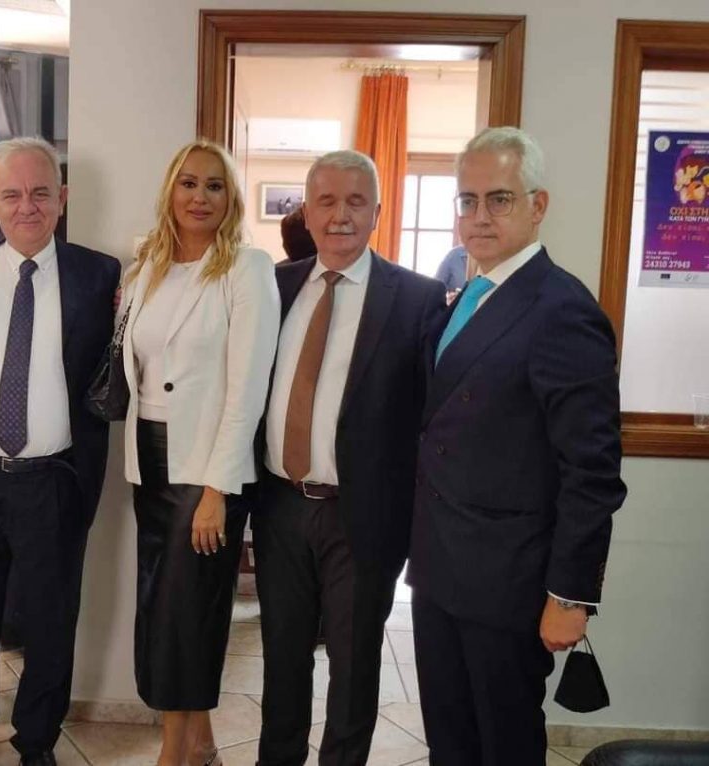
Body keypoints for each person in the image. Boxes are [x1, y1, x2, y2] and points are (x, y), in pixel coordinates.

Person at [408, 126, 627, 766]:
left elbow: (592, 471)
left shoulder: (561, 309)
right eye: (467, 200)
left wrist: (570, 595)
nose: (479, 216)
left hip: (508, 582)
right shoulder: (465, 298)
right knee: (450, 741)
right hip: (440, 568)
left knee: (503, 746)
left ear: (538, 205)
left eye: (499, 199)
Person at [0, 137, 120, 766]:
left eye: (40, 193)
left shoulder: (101, 274)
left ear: (62, 198)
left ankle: (36, 743)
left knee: (50, 625)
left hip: (54, 482)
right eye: (11, 195)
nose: (27, 206)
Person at [255, 150, 446, 765]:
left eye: (356, 202)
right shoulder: (274, 287)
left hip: (362, 517)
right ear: (307, 213)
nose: (341, 215)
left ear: (377, 213)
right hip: (280, 506)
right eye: (327, 201)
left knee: (353, 666)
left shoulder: (417, 299)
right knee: (283, 659)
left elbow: (431, 420)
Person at [120, 140, 279, 766]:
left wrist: (218, 489)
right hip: (148, 461)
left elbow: (248, 389)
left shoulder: (247, 269)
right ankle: (203, 741)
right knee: (162, 605)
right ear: (171, 191)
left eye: (214, 186)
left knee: (187, 615)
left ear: (230, 199)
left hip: (206, 469)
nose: (200, 197)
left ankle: (175, 753)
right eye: (188, 183)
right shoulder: (147, 267)